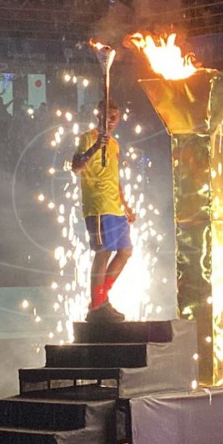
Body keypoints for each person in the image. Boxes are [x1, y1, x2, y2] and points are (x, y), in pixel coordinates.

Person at [71, 99, 136, 323]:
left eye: (114, 116)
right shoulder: (88, 137)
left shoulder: (115, 144)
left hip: (114, 205)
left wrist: (125, 204)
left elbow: (114, 178)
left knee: (125, 251)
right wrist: (96, 147)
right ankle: (97, 306)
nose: (111, 120)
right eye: (107, 115)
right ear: (98, 115)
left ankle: (100, 299)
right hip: (97, 204)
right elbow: (77, 166)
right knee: (103, 252)